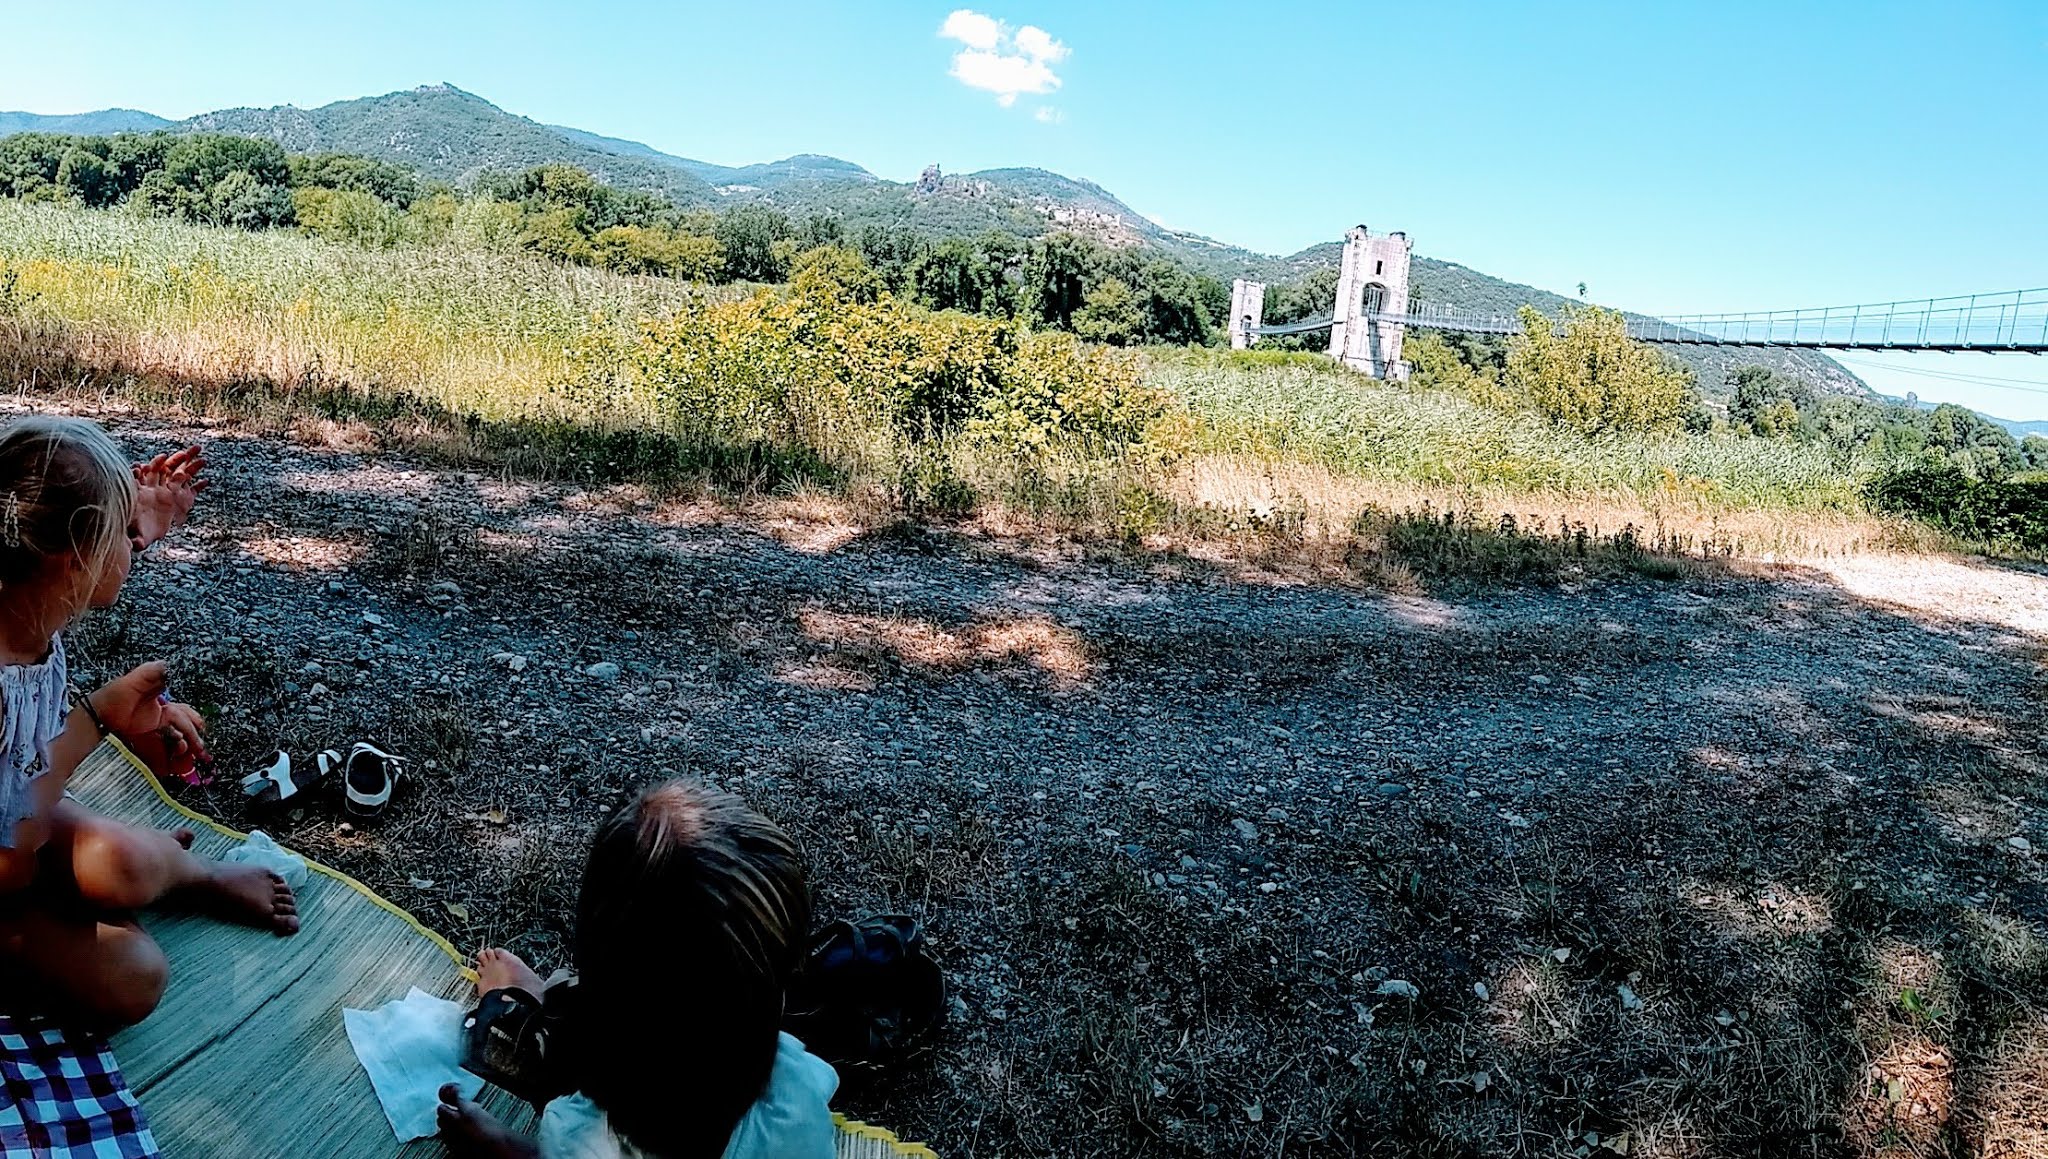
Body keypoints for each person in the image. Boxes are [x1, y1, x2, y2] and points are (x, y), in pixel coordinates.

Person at [0, 416, 298, 1034]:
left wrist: (145, 523)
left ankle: (191, 875)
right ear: (74, 560)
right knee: (132, 977)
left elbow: (27, 779)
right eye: (122, 528)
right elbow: (10, 856)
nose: (135, 543)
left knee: (127, 860)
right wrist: (98, 718)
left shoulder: (27, 598)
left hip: (20, 822)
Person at [436, 780, 840, 1159]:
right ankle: (552, 1010)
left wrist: (505, 1147)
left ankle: (546, 1013)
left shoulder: (578, 1139)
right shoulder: (798, 1094)